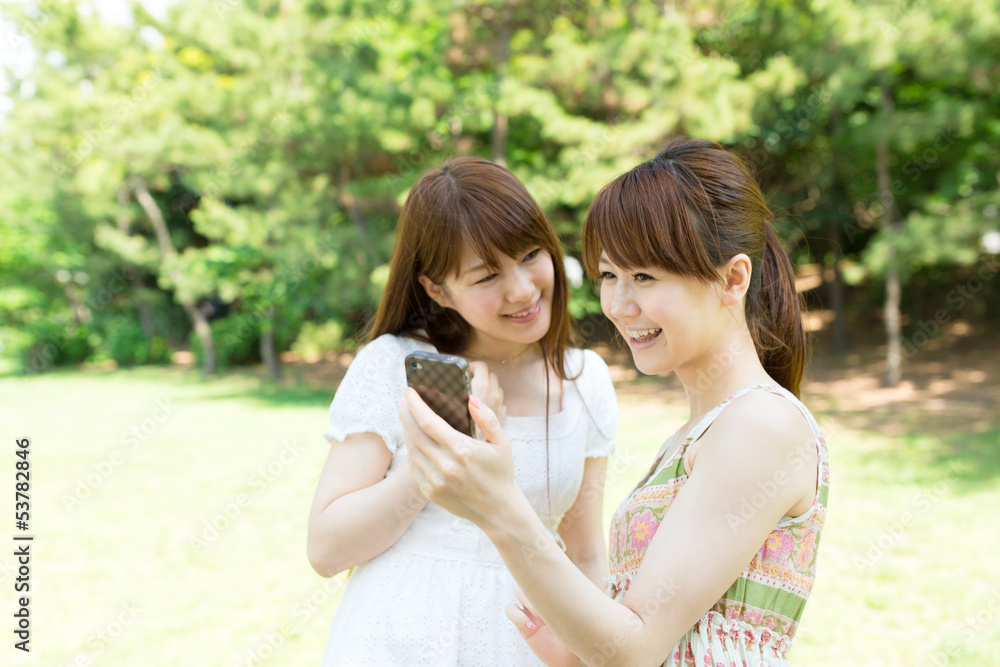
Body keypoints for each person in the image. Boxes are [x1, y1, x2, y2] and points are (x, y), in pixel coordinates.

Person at [400, 137, 830, 666]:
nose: (620, 305)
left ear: (732, 278)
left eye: (645, 277)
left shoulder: (761, 424)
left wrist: (498, 507)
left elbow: (636, 649)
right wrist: (579, 652)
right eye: (609, 276)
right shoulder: (702, 432)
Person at [307, 156, 619, 666]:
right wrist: (450, 450)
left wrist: (588, 655)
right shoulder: (394, 364)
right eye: (487, 276)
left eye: (531, 254)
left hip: (528, 645)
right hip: (399, 641)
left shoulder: (586, 381)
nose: (521, 289)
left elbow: (584, 553)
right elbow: (326, 548)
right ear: (436, 288)